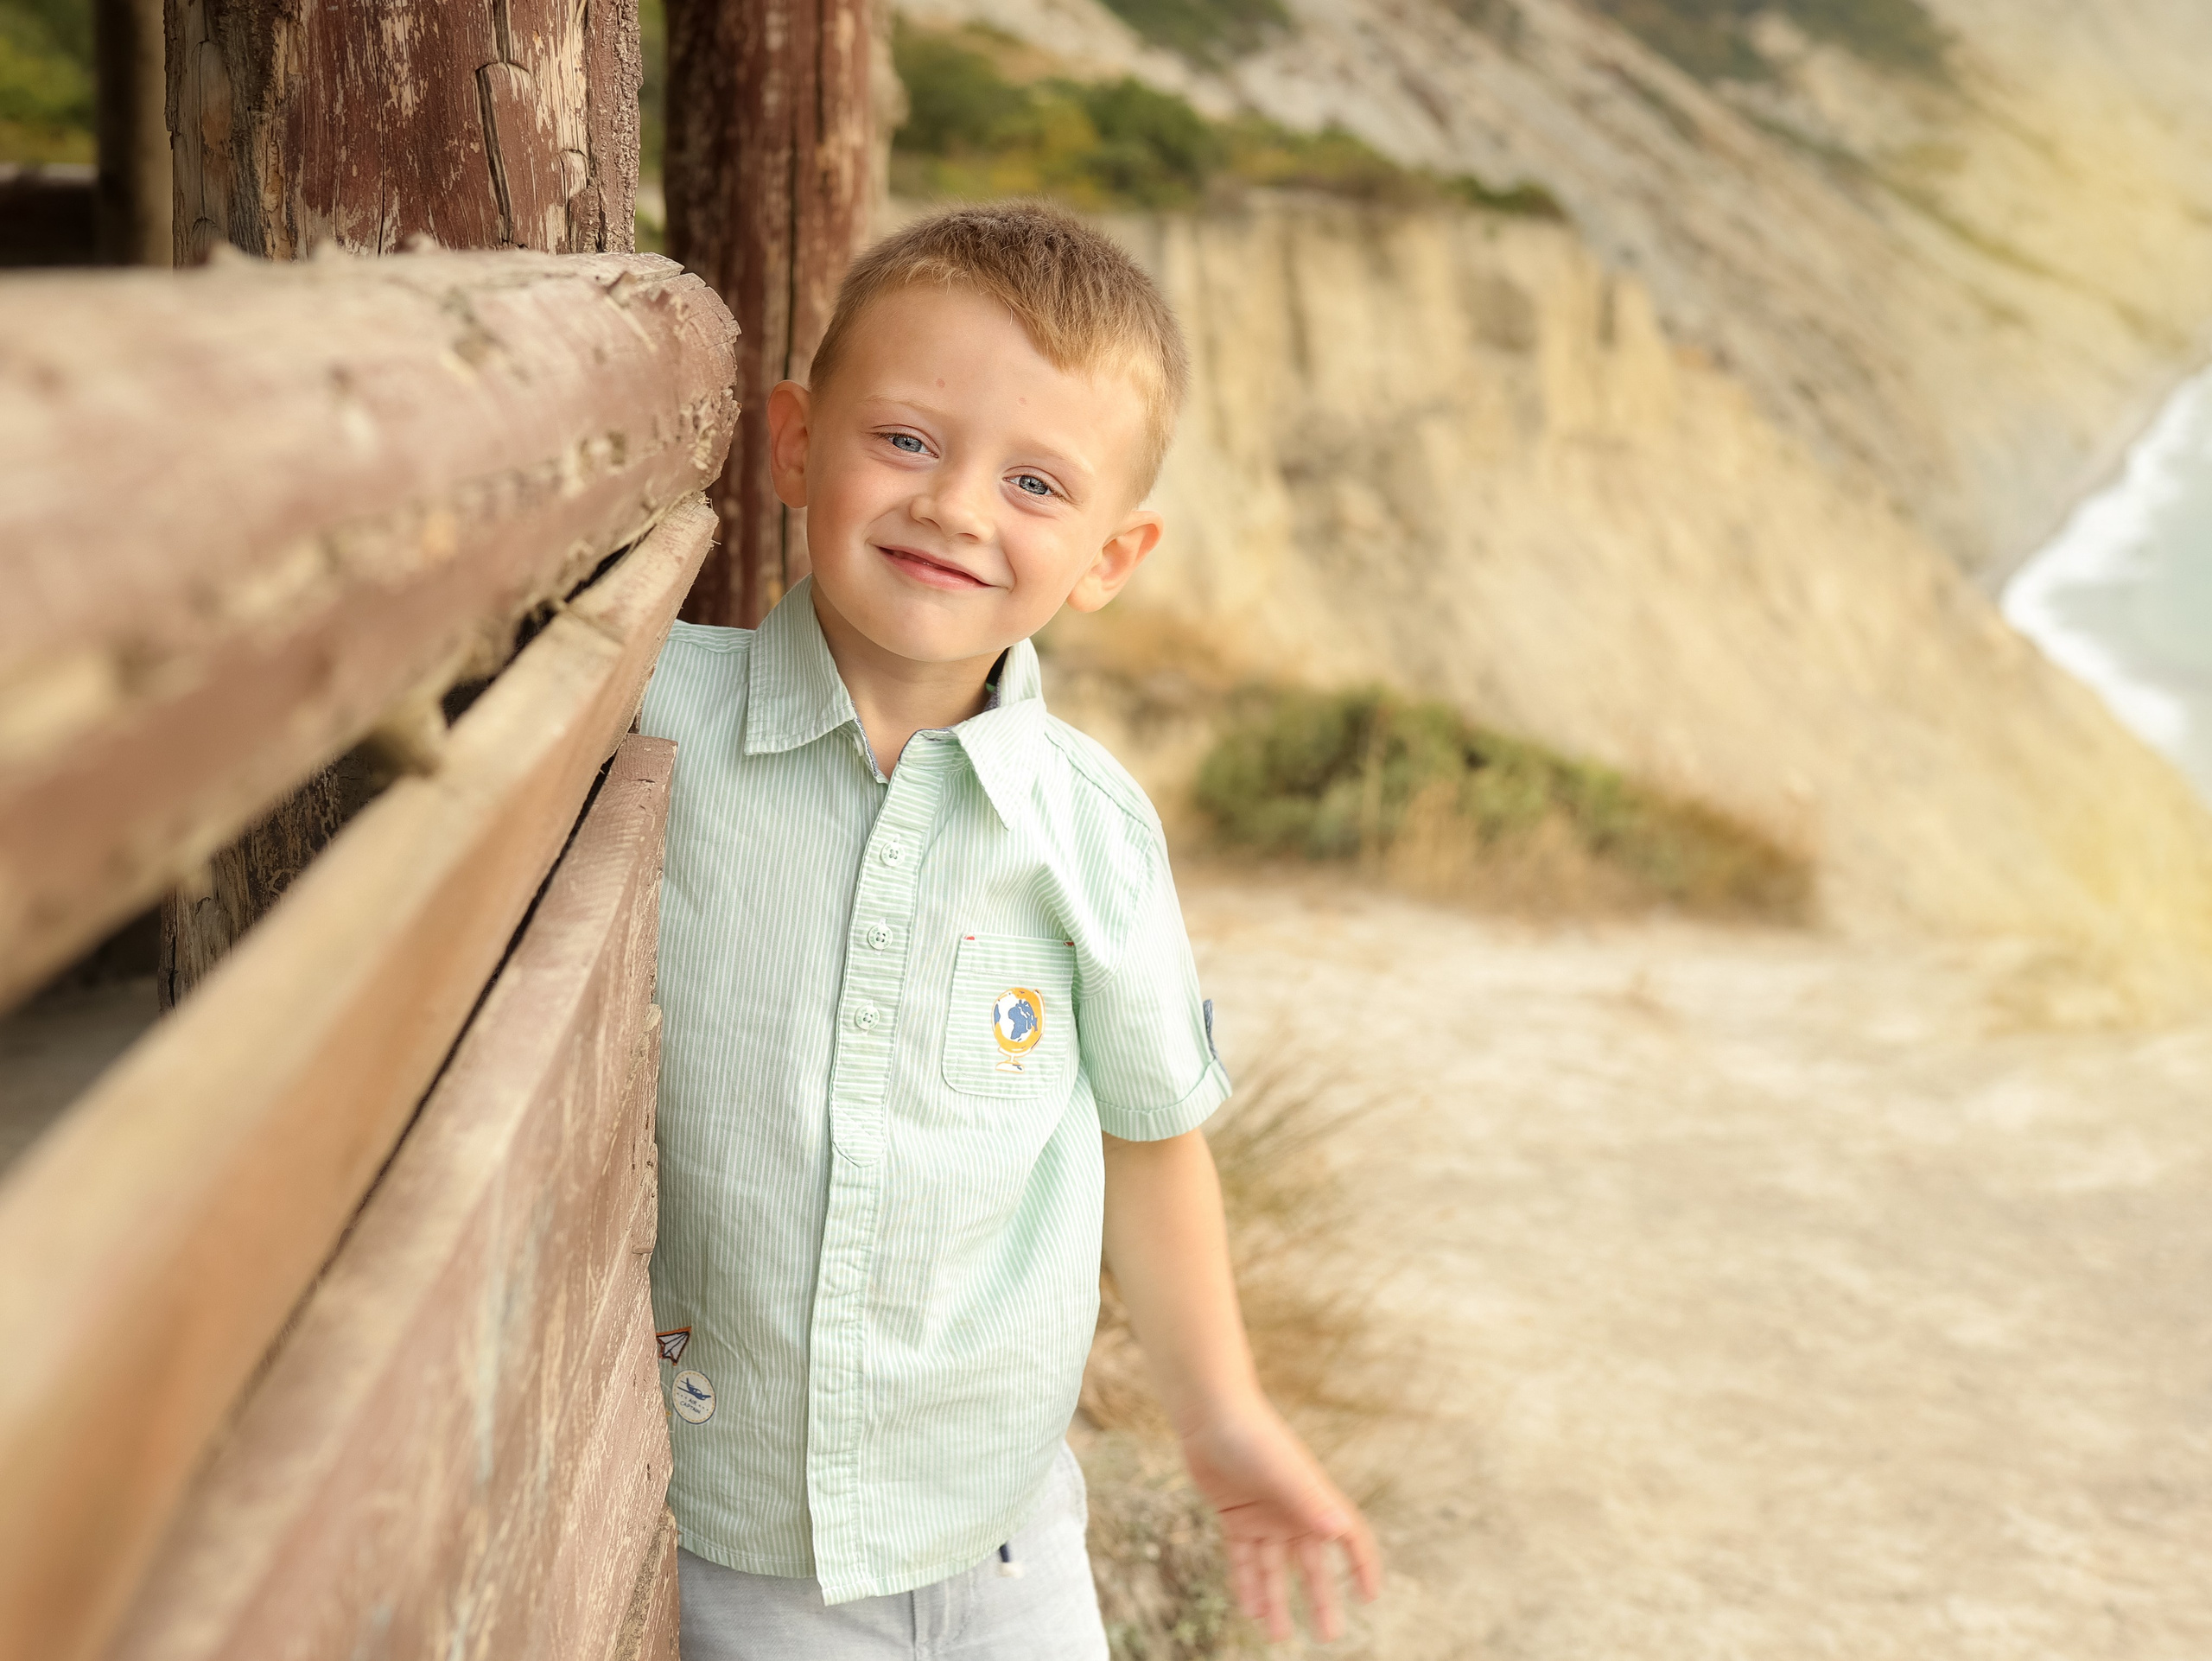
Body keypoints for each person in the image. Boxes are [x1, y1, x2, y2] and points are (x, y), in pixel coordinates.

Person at [640, 200, 1381, 1658]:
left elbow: (1149, 1129)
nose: (958, 507)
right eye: (905, 440)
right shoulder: (651, 715)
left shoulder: (1091, 833)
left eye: (1038, 483)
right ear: (796, 442)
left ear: (1112, 554)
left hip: (1009, 1539)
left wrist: (1222, 1417)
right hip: (738, 1545)